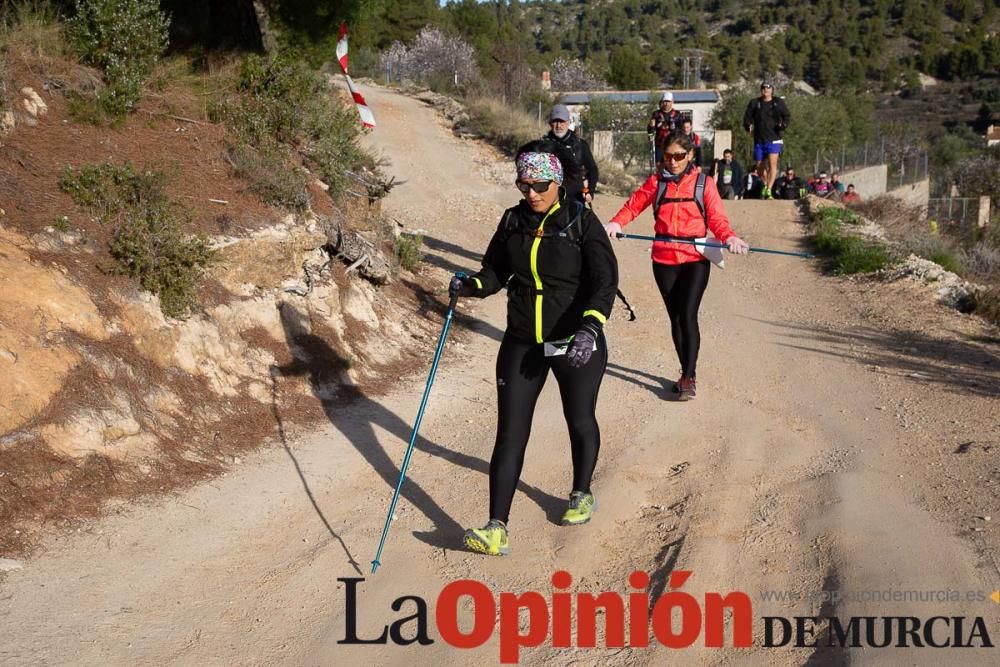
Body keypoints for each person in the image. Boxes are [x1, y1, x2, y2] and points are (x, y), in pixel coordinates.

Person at [450, 139, 619, 556]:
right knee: (509, 433)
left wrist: (590, 328)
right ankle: (496, 527)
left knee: (578, 418)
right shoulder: (512, 221)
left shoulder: (582, 221)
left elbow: (604, 282)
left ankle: (581, 492)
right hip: (522, 339)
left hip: (574, 340)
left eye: (540, 184)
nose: (532, 193)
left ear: (557, 181)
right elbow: (494, 273)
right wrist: (469, 285)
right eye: (524, 185)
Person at [603, 132, 749, 400]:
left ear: (690, 155)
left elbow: (717, 218)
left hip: (695, 258)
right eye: (667, 156)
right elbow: (634, 205)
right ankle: (685, 371)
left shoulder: (704, 183)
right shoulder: (656, 182)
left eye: (679, 156)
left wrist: (729, 238)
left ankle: (689, 376)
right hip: (663, 259)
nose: (672, 162)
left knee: (688, 314)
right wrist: (616, 223)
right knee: (675, 318)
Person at [743, 81, 790, 200]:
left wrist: (783, 125)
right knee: (759, 166)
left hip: (774, 138)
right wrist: (748, 125)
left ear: (772, 90)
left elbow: (786, 115)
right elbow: (747, 117)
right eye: (764, 88)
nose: (766, 90)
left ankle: (769, 189)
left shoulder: (778, 102)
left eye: (768, 88)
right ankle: (764, 183)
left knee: (772, 164)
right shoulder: (755, 103)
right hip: (759, 139)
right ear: (761, 90)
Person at [546, 104, 599, 206]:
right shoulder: (543, 146)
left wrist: (590, 192)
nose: (559, 125)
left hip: (576, 199)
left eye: (562, 121)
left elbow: (593, 169)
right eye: (555, 121)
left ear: (568, 123)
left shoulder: (580, 145)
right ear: (550, 123)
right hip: (549, 200)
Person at [647, 91, 683, 164]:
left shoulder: (677, 115)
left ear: (672, 102)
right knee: (659, 165)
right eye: (665, 101)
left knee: (672, 164)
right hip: (659, 145)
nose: (666, 104)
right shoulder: (656, 114)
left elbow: (681, 131)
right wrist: (651, 126)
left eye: (668, 101)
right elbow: (650, 131)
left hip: (673, 144)